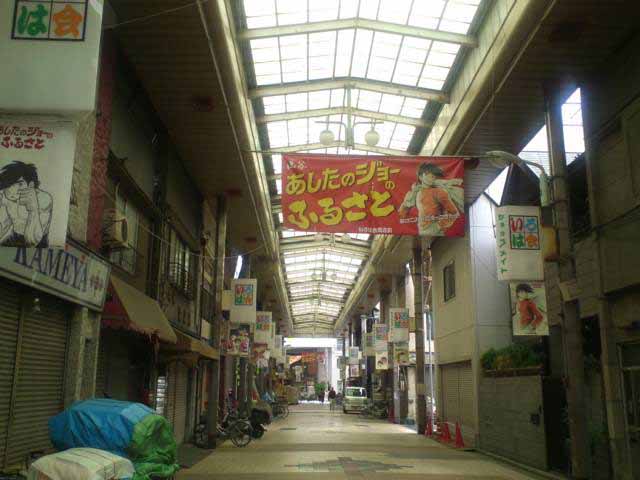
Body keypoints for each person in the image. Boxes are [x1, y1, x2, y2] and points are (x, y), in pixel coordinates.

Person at [398, 163, 463, 236]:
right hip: (420, 229)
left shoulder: (438, 192)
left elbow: (454, 213)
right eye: (429, 175)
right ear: (420, 177)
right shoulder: (415, 192)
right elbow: (402, 214)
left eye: (434, 176)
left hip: (433, 229)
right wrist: (406, 203)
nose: (432, 177)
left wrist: (438, 226)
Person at [0, 161, 53, 247]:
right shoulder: (7, 197)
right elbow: (5, 224)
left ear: (31, 185)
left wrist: (33, 209)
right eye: (8, 185)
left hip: (37, 241)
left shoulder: (44, 199)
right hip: (15, 236)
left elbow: (32, 241)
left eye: (20, 184)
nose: (11, 191)